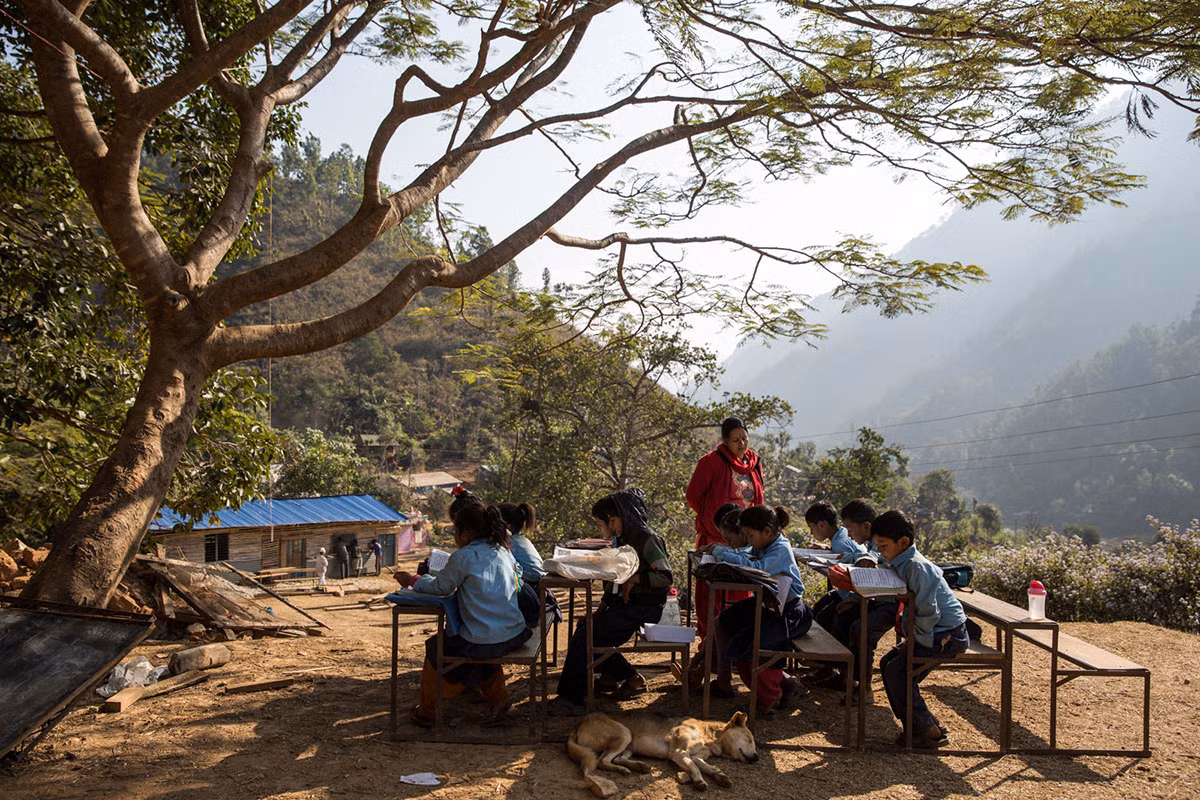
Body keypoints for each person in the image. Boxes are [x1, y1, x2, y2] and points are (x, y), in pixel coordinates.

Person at [394, 503, 531, 728]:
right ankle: (499, 700)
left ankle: (427, 712)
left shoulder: (464, 556)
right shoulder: (502, 549)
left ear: (465, 533)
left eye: (456, 531)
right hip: (514, 632)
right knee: (484, 646)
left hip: (484, 638)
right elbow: (519, 574)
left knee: (436, 649)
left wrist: (413, 580)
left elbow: (441, 588)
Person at [550, 488, 673, 716]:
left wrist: (636, 579)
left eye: (611, 521)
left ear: (624, 517)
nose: (611, 526)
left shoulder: (648, 539)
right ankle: (624, 676)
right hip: (624, 606)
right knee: (587, 628)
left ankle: (572, 698)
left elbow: (665, 577)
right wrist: (601, 609)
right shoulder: (622, 541)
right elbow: (613, 584)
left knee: (585, 637)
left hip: (643, 608)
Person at [700, 505, 811, 717]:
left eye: (750, 535)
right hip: (768, 604)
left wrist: (720, 552)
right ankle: (776, 688)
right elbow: (746, 555)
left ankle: (767, 700)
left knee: (761, 644)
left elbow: (758, 567)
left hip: (788, 611)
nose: (748, 540)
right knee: (730, 623)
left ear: (767, 532)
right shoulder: (764, 545)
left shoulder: (780, 549)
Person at [872, 510, 968, 748]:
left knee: (899, 672)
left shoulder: (916, 567)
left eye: (883, 546)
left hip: (946, 634)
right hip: (934, 631)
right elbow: (884, 563)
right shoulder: (900, 560)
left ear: (902, 543)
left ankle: (926, 730)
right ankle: (920, 722)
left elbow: (928, 611)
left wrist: (915, 641)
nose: (880, 552)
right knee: (888, 665)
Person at [685, 417, 764, 643]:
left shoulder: (754, 463)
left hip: (744, 542)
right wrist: (711, 519)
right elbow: (693, 495)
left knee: (739, 595)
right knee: (711, 596)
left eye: (744, 439)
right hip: (714, 538)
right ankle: (710, 646)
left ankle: (735, 645)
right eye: (736, 440)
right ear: (725, 442)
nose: (741, 444)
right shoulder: (710, 462)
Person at [807, 501, 867, 636]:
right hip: (849, 592)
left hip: (852, 595)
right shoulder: (842, 535)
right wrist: (827, 548)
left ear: (821, 525)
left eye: (811, 528)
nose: (811, 532)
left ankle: (827, 653)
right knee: (819, 607)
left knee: (823, 617)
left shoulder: (840, 543)